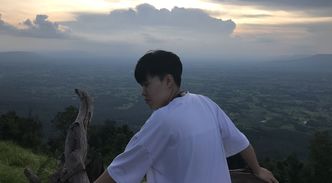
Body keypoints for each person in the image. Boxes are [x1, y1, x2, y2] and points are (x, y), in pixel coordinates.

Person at [94, 50, 278, 183]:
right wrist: (257, 169)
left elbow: (121, 170)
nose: (143, 92)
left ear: (168, 81)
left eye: (146, 84)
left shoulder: (163, 120)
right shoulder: (205, 102)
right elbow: (241, 142)